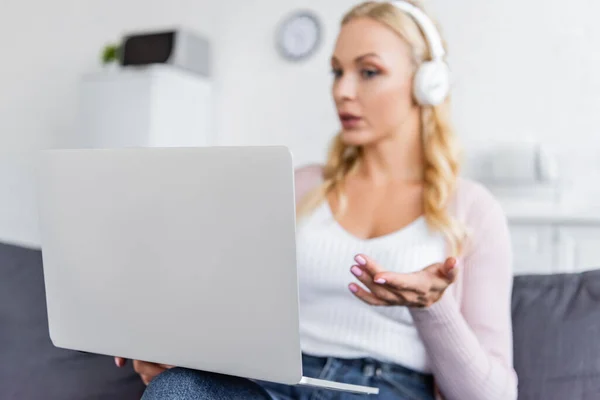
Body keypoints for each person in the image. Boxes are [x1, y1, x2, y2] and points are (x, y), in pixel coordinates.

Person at [114, 1, 518, 399]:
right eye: (337, 71)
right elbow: (225, 304)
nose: (342, 90)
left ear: (427, 83)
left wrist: (432, 306)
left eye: (369, 71)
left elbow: (494, 396)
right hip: (279, 384)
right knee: (178, 390)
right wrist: (164, 338)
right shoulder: (299, 186)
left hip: (387, 387)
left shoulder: (471, 209)